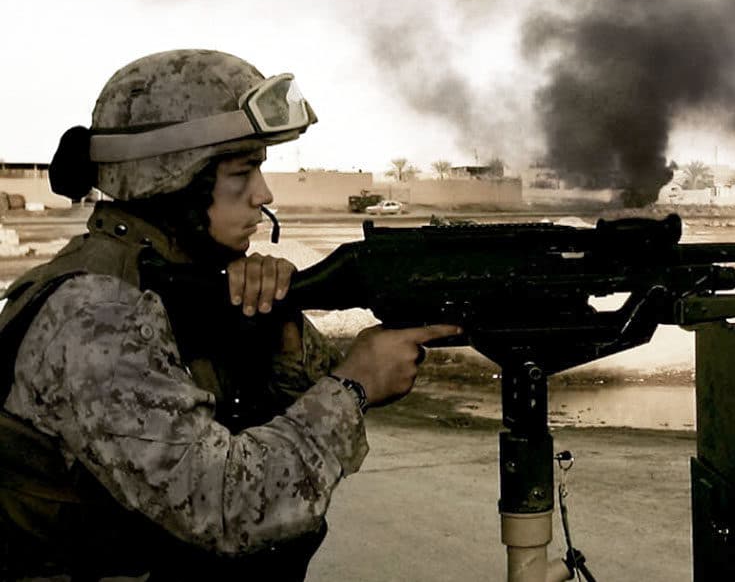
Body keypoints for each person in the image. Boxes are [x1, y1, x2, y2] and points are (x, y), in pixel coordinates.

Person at [0, 49, 459, 580]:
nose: (264, 194)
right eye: (244, 171)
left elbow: (282, 408)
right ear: (172, 180)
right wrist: (354, 386)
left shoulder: (173, 280)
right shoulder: (98, 312)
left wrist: (275, 321)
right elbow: (227, 505)